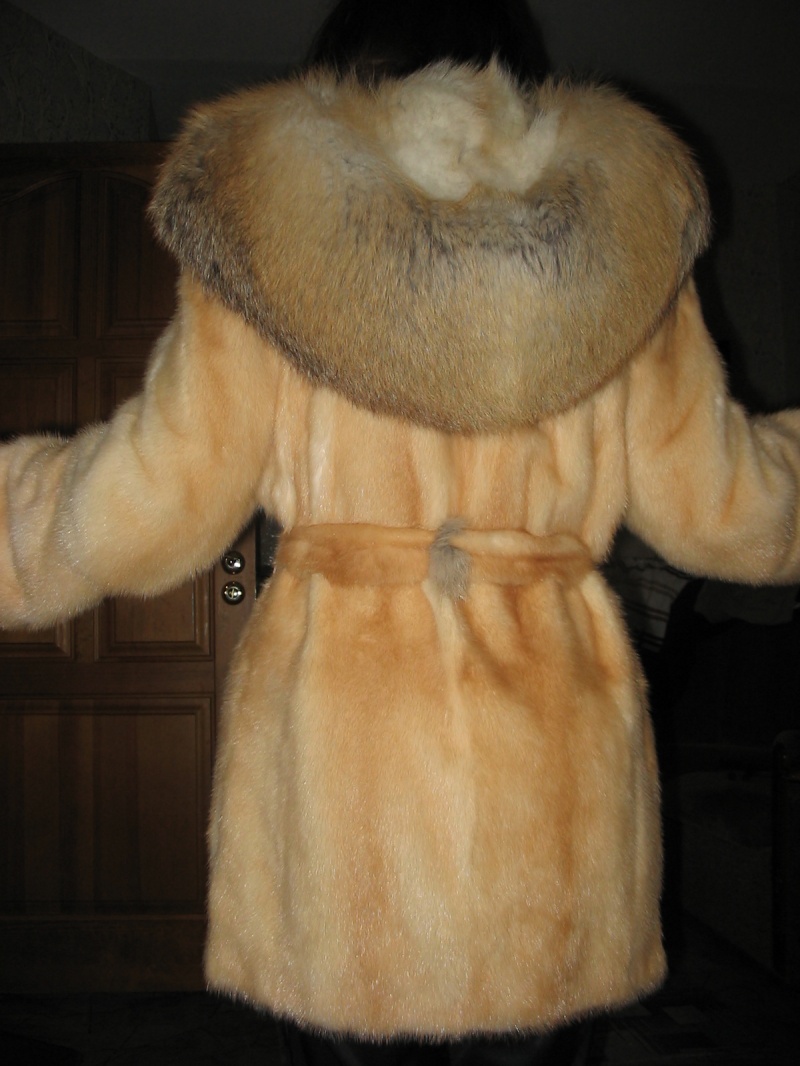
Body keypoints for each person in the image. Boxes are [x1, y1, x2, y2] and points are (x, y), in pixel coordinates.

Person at [2, 0, 799, 1063]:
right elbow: (733, 511)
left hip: (348, 780)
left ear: (340, 78)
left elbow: (150, 499)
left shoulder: (268, 233)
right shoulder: (626, 242)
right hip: (549, 786)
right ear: (517, 78)